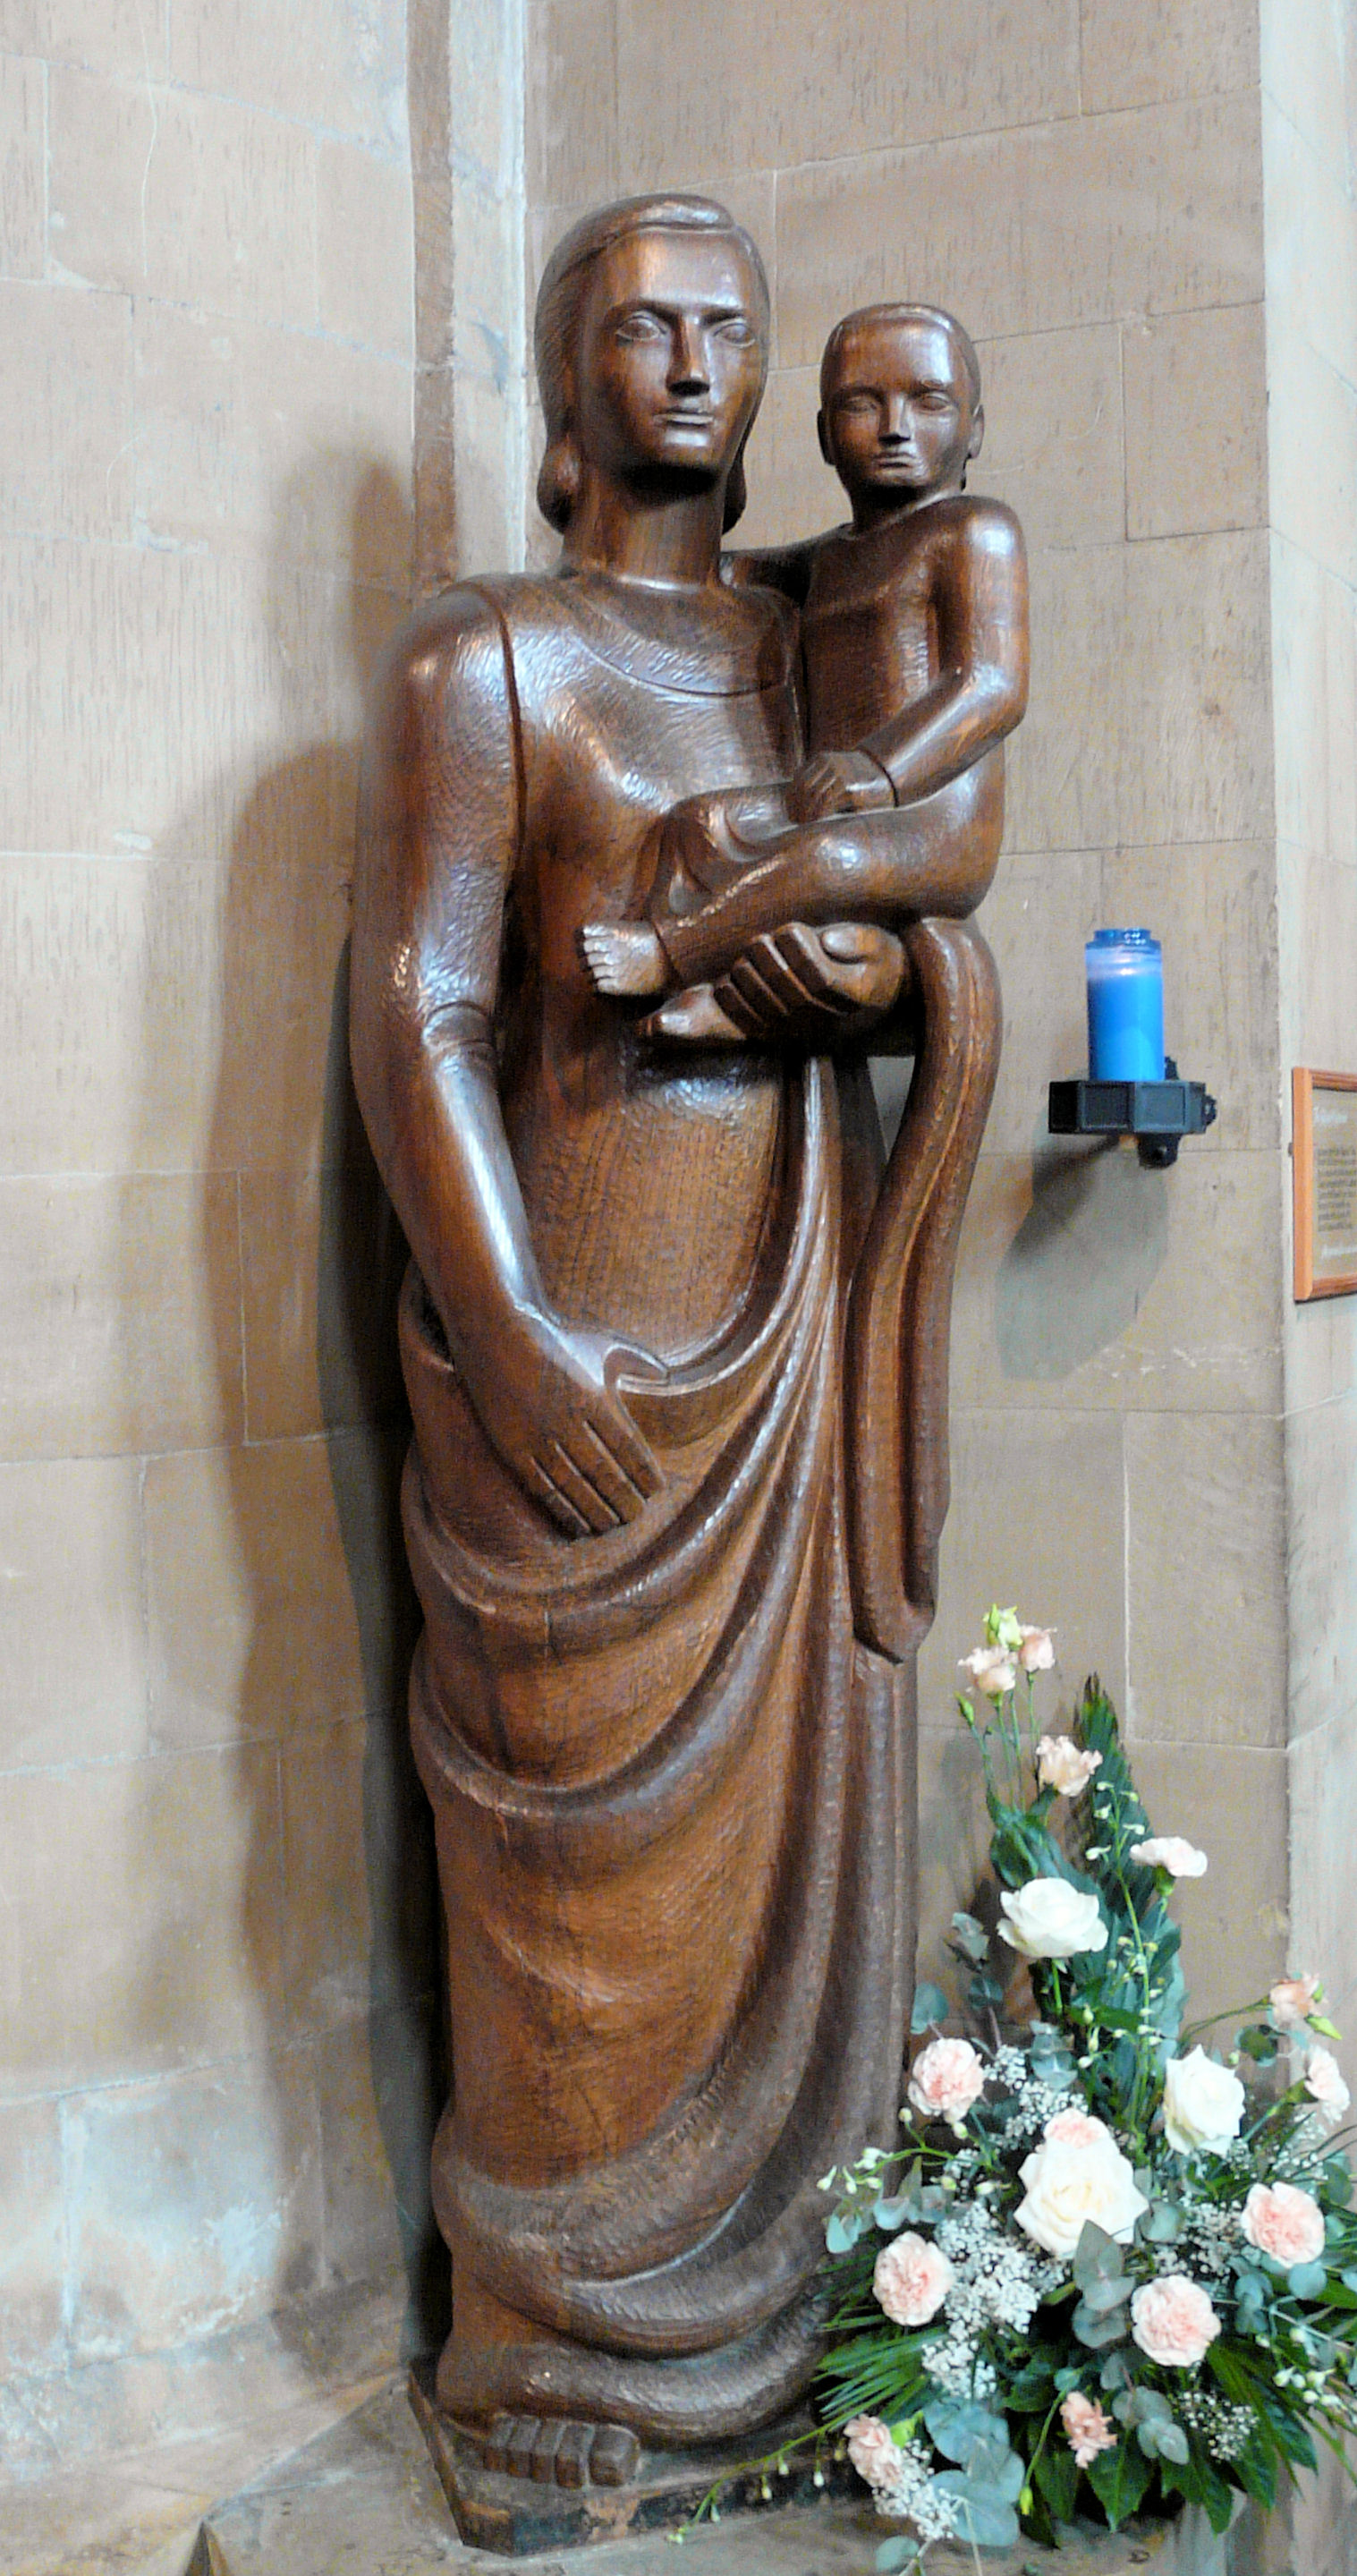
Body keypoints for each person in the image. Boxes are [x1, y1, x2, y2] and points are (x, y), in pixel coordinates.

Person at [350, 195, 1007, 2487]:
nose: (701, 363)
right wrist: (506, 1327)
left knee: (789, 1860)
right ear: (567, 382)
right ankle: (551, 2362)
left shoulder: (810, 643)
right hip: (584, 1377)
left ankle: (793, 2323)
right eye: (646, 329)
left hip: (785, 1353)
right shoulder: (483, 658)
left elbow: (923, 886)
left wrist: (889, 976)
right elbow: (421, 1013)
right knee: (567, 1903)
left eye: (731, 327)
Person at [580, 300, 1027, 1043]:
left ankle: (668, 953)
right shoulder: (830, 557)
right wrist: (652, 537)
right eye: (862, 404)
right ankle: (727, 990)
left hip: (931, 818)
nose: (894, 427)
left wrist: (877, 773)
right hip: (831, 797)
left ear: (973, 429)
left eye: (928, 402)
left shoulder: (974, 531)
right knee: (700, 826)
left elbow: (990, 687)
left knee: (828, 860)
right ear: (823, 436)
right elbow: (729, 571)